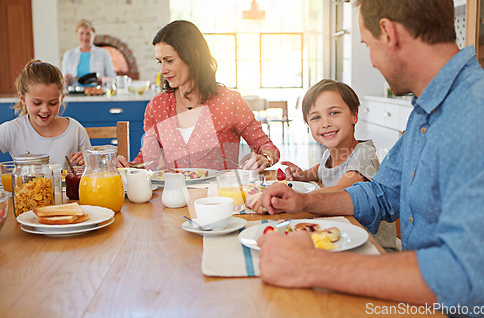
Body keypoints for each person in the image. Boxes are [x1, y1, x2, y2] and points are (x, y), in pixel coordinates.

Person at [256, 0, 484, 314]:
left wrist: (313, 266)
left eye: (368, 45)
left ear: (388, 32)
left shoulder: (483, 112)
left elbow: (467, 278)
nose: (371, 61)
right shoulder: (426, 112)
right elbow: (381, 193)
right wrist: (305, 200)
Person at [246, 79, 398, 250]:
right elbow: (322, 170)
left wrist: (294, 198)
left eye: (334, 113)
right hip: (341, 235)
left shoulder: (363, 155)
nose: (326, 123)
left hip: (372, 246)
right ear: (308, 125)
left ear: (354, 115)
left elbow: (341, 190)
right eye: (316, 117)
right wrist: (303, 174)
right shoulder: (330, 153)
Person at [117, 20, 279, 172]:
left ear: (194, 56)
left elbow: (268, 147)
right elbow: (148, 162)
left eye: (169, 60)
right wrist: (127, 167)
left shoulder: (230, 101)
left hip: (220, 198)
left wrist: (265, 157)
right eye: (160, 61)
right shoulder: (157, 106)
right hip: (173, 200)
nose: (162, 70)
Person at [0, 60, 90, 166]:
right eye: (37, 103)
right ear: (22, 99)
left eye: (53, 103)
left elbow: (93, 170)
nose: (45, 110)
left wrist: (87, 163)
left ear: (61, 99)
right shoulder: (12, 130)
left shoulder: (75, 130)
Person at [61, 19, 116, 86]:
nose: (85, 37)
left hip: (97, 93)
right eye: (81, 33)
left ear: (93, 34)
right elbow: (62, 82)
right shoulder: (68, 55)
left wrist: (103, 80)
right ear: (77, 34)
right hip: (75, 94)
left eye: (88, 33)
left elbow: (113, 78)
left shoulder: (103, 53)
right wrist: (66, 79)